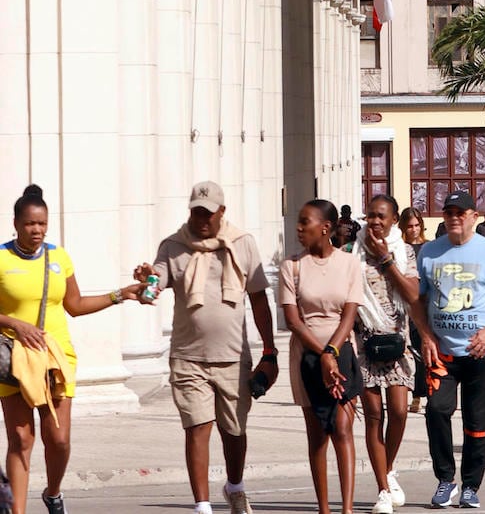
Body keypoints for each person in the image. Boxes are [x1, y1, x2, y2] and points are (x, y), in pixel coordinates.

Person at [1, 185, 148, 514]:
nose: (36, 230)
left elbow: (75, 304)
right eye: (29, 224)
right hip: (14, 360)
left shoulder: (59, 258)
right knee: (21, 440)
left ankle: (53, 494)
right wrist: (17, 324)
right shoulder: (1, 258)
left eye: (42, 224)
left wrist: (120, 294)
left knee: (59, 440)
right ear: (16, 223)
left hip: (55, 361)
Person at [134, 181, 278, 514]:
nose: (202, 219)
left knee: (234, 430)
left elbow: (258, 299)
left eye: (208, 213)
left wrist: (270, 352)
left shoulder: (242, 244)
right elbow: (154, 284)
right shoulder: (173, 246)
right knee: (198, 427)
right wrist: (146, 283)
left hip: (233, 356)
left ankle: (235, 486)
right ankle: (202, 506)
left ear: (221, 212)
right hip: (188, 357)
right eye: (196, 212)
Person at [416, 190, 485, 509]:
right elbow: (417, 301)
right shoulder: (429, 252)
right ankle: (445, 480)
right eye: (448, 213)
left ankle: (471, 485)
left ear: (474, 217)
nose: (454, 218)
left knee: (477, 423)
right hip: (442, 354)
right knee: (436, 411)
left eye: (460, 213)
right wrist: (425, 335)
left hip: (481, 353)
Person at [350, 194, 434, 514]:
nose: (374, 221)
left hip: (397, 342)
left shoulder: (404, 251)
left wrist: (386, 259)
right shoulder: (353, 252)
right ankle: (383, 489)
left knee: (399, 410)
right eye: (370, 215)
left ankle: (389, 466)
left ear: (394, 220)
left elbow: (413, 294)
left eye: (381, 216)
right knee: (374, 416)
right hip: (364, 343)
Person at [280, 200, 364, 514]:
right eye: (298, 222)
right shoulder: (292, 266)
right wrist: (321, 354)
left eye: (305, 222)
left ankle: (347, 508)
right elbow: (293, 320)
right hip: (306, 356)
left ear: (325, 228)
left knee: (342, 427)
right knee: (317, 434)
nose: (299, 228)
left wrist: (332, 352)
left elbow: (349, 314)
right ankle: (324, 509)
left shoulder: (349, 263)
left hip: (341, 351)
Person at [398, 207, 428, 414]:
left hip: (423, 305)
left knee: (422, 350)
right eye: (410, 226)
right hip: (402, 306)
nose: (414, 230)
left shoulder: (428, 248)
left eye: (417, 225)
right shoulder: (398, 248)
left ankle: (420, 394)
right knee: (404, 351)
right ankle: (407, 390)